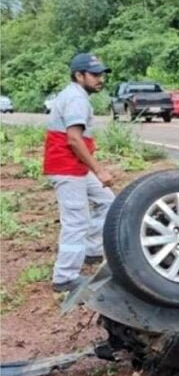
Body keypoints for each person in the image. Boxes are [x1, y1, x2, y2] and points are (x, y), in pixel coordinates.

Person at [43, 53, 115, 293]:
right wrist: (100, 170)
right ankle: (64, 277)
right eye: (94, 75)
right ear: (79, 75)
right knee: (76, 221)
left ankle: (92, 251)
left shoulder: (75, 96)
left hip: (76, 167)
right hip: (67, 168)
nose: (100, 79)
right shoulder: (76, 99)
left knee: (107, 202)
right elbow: (74, 140)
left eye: (101, 74)